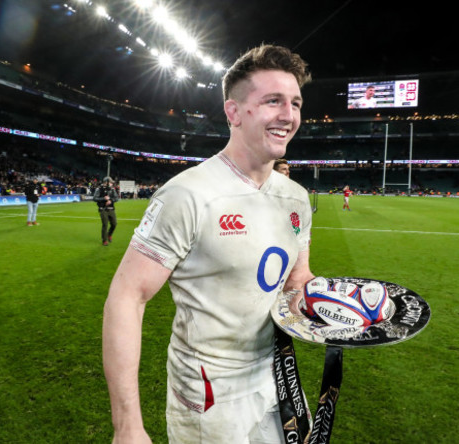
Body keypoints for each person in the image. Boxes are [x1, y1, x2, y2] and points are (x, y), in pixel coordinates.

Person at [102, 44, 314, 443]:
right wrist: (127, 426)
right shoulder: (187, 195)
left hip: (279, 376)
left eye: (295, 103)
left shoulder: (296, 198)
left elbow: (296, 279)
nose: (288, 115)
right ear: (233, 112)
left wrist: (336, 308)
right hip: (210, 394)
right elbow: (126, 297)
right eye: (273, 101)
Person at [94, 176, 119, 246]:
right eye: (111, 182)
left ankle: (109, 234)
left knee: (114, 224)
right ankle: (104, 240)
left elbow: (116, 198)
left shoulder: (112, 189)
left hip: (111, 209)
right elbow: (95, 198)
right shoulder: (99, 189)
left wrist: (111, 200)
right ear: (106, 182)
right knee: (105, 224)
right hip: (103, 209)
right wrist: (103, 198)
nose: (112, 184)